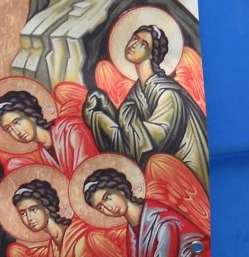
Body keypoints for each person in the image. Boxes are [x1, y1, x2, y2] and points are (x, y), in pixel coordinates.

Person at [84, 25, 210, 192]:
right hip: (161, 179)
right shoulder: (137, 92)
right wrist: (105, 109)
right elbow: (130, 134)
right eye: (135, 38)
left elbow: (148, 145)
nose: (134, 44)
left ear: (152, 53)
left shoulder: (168, 94)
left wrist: (101, 118)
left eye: (143, 44)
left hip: (183, 180)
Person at [82, 166, 209, 257]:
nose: (109, 208)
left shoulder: (163, 220)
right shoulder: (132, 230)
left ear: (120, 189)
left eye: (107, 197)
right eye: (101, 207)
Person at [0, 87, 99, 177]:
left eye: (17, 122)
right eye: (8, 129)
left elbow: (87, 172)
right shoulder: (44, 152)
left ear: (31, 114)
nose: (16, 132)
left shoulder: (71, 129)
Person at [8, 179, 71, 257]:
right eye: (23, 213)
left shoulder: (75, 234)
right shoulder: (53, 247)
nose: (29, 218)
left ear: (46, 207)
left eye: (33, 210)